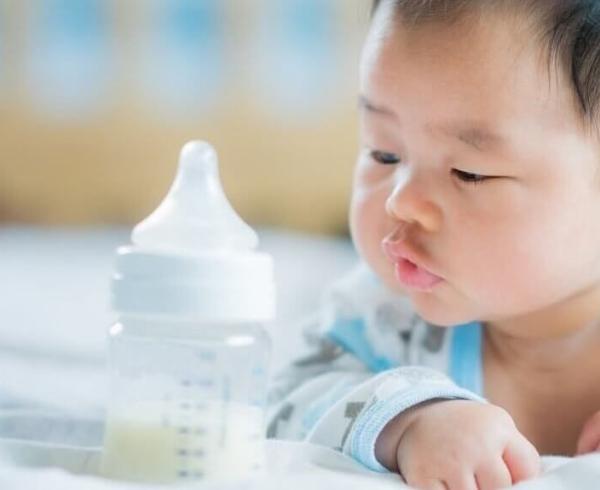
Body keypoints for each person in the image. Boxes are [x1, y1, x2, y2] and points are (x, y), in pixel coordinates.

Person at [267, 1, 600, 489]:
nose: (402, 202)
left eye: (470, 173)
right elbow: (281, 404)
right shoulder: (382, 316)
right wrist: (408, 419)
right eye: (384, 152)